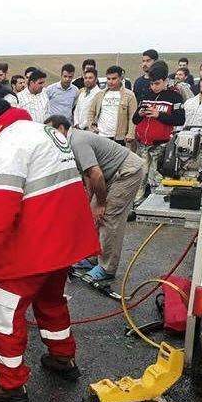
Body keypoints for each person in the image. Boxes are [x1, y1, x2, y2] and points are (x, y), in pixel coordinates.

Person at [0, 97, 100, 402]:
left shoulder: (6, 143)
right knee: (51, 301)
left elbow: (2, 206)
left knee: (4, 311)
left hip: (34, 246)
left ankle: (10, 385)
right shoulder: (44, 132)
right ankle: (62, 358)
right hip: (63, 241)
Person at [45, 115, 144, 282]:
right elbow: (89, 174)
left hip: (127, 172)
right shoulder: (69, 143)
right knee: (92, 215)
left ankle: (107, 268)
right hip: (110, 174)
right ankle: (92, 257)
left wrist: (101, 204)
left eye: (51, 131)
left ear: (61, 129)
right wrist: (90, 200)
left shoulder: (77, 141)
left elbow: (97, 175)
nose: (48, 136)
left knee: (108, 217)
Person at [132, 62, 186, 205]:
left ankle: (156, 205)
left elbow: (180, 119)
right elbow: (135, 119)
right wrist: (141, 113)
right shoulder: (146, 94)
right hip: (142, 144)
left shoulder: (175, 96)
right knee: (140, 176)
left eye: (157, 83)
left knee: (155, 178)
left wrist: (158, 115)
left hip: (160, 146)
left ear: (165, 81)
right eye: (151, 84)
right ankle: (137, 204)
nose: (154, 87)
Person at [88, 66, 137, 146]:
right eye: (108, 79)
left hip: (119, 138)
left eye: (114, 79)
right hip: (101, 135)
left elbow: (133, 116)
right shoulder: (100, 94)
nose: (110, 81)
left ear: (121, 78)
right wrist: (92, 128)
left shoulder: (129, 95)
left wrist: (130, 133)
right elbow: (91, 112)